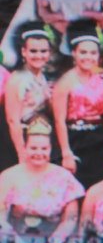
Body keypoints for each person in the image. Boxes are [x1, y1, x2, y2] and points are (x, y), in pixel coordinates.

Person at [0, 122, 82, 243]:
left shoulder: (64, 177)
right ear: (25, 148)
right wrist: (10, 240)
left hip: (53, 237)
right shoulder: (9, 175)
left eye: (44, 149)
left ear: (50, 149)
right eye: (33, 148)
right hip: (14, 237)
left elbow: (71, 218)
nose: (39, 153)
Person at [51, 32, 103, 187]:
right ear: (74, 53)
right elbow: (59, 120)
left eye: (93, 53)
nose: (88, 57)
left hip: (99, 137)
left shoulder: (102, 78)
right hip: (75, 138)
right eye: (83, 52)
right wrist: (66, 153)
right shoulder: (65, 82)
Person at [4, 29, 55, 163]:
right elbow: (13, 121)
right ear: (23, 52)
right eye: (33, 51)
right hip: (22, 140)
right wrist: (22, 154)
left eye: (43, 51)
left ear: (49, 53)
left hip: (42, 137)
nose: (39, 55)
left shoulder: (43, 76)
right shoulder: (17, 79)